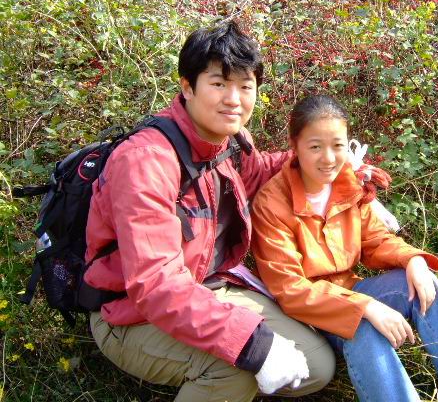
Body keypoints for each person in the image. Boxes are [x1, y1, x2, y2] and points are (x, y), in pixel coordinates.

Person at [83, 21, 335, 402]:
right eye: (218, 84)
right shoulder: (146, 161)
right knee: (236, 364)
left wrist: (331, 165)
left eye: (245, 86)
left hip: (207, 286)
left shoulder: (231, 141)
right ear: (187, 87)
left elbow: (260, 173)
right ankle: (220, 383)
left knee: (316, 365)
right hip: (130, 314)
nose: (234, 99)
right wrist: (252, 345)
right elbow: (155, 284)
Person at [251, 95, 438, 402]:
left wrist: (412, 260)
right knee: (361, 326)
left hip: (351, 290)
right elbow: (290, 289)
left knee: (421, 282)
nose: (328, 158)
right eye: (315, 147)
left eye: (337, 145)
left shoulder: (346, 184)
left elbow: (375, 241)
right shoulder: (271, 204)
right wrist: (365, 307)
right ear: (294, 145)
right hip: (309, 316)